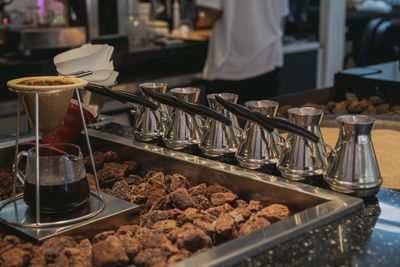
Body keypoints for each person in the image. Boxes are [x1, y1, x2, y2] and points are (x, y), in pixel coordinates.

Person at [196, 0, 289, 103]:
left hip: (230, 64)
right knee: (262, 117)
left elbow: (211, 13)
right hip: (268, 58)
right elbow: (283, 14)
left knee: (224, 118)